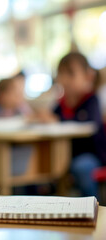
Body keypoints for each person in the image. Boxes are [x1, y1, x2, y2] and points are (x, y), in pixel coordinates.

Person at [52, 52, 106, 197]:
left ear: (87, 76)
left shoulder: (91, 99)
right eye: (61, 74)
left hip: (91, 154)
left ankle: (92, 207)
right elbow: (53, 118)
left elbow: (91, 124)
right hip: (63, 154)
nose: (65, 80)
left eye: (71, 74)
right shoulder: (61, 103)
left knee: (82, 167)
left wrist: (57, 121)